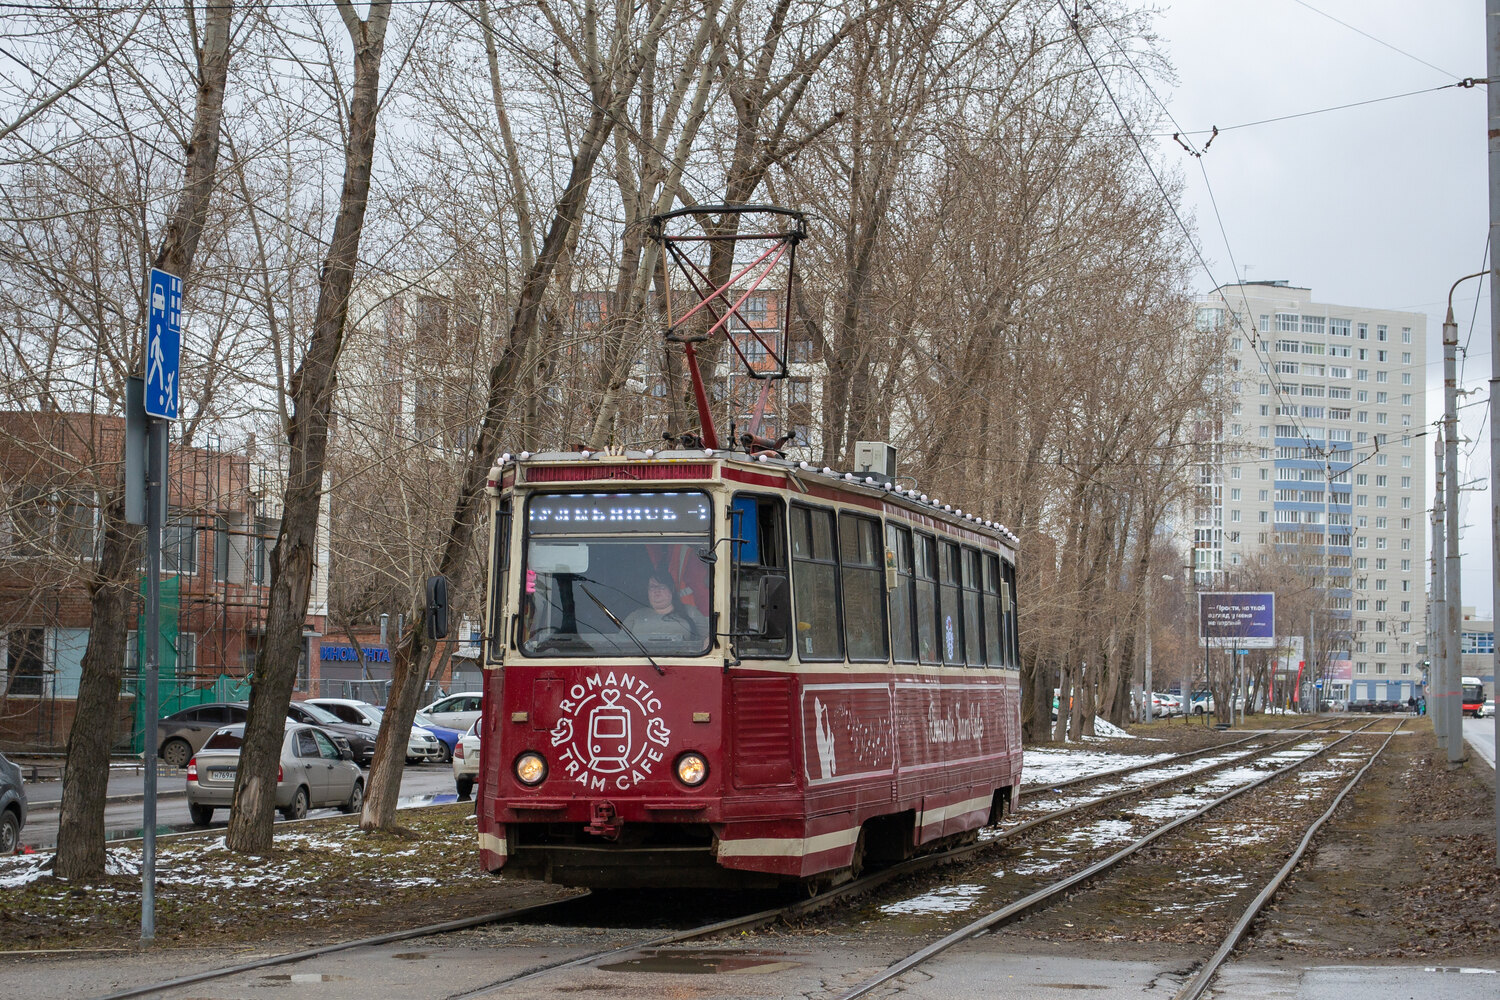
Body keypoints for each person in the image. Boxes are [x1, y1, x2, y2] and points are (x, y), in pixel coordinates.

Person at [624, 572, 707, 648]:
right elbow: (620, 643)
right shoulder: (636, 615)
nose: (657, 591)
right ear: (647, 591)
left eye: (662, 587)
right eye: (652, 587)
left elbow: (707, 640)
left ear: (671, 590)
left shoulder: (691, 612)